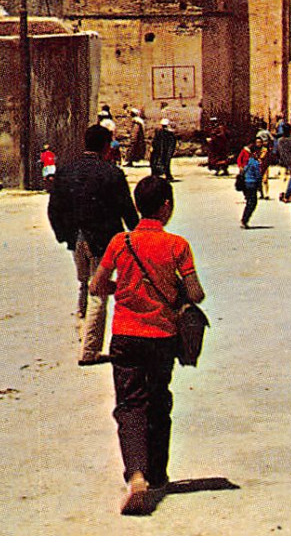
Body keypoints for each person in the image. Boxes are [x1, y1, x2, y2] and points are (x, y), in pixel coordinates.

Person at [90, 175, 204, 516]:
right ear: (166, 206)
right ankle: (157, 477)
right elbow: (196, 293)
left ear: (139, 206)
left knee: (129, 405)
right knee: (158, 403)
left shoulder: (119, 242)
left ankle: (136, 475)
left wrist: (122, 291)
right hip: (162, 338)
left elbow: (97, 286)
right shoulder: (177, 245)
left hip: (125, 336)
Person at [47, 124, 139, 366]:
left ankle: (82, 333)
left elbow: (53, 209)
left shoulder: (66, 171)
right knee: (98, 291)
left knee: (83, 284)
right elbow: (127, 210)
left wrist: (64, 235)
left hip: (75, 238)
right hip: (102, 241)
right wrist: (138, 235)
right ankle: (90, 350)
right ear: (106, 146)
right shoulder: (112, 173)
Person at [237, 151, 264, 229]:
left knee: (249, 202)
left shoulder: (248, 162)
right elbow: (258, 175)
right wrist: (260, 186)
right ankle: (245, 220)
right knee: (253, 203)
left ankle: (244, 219)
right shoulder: (255, 163)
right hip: (252, 184)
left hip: (246, 184)